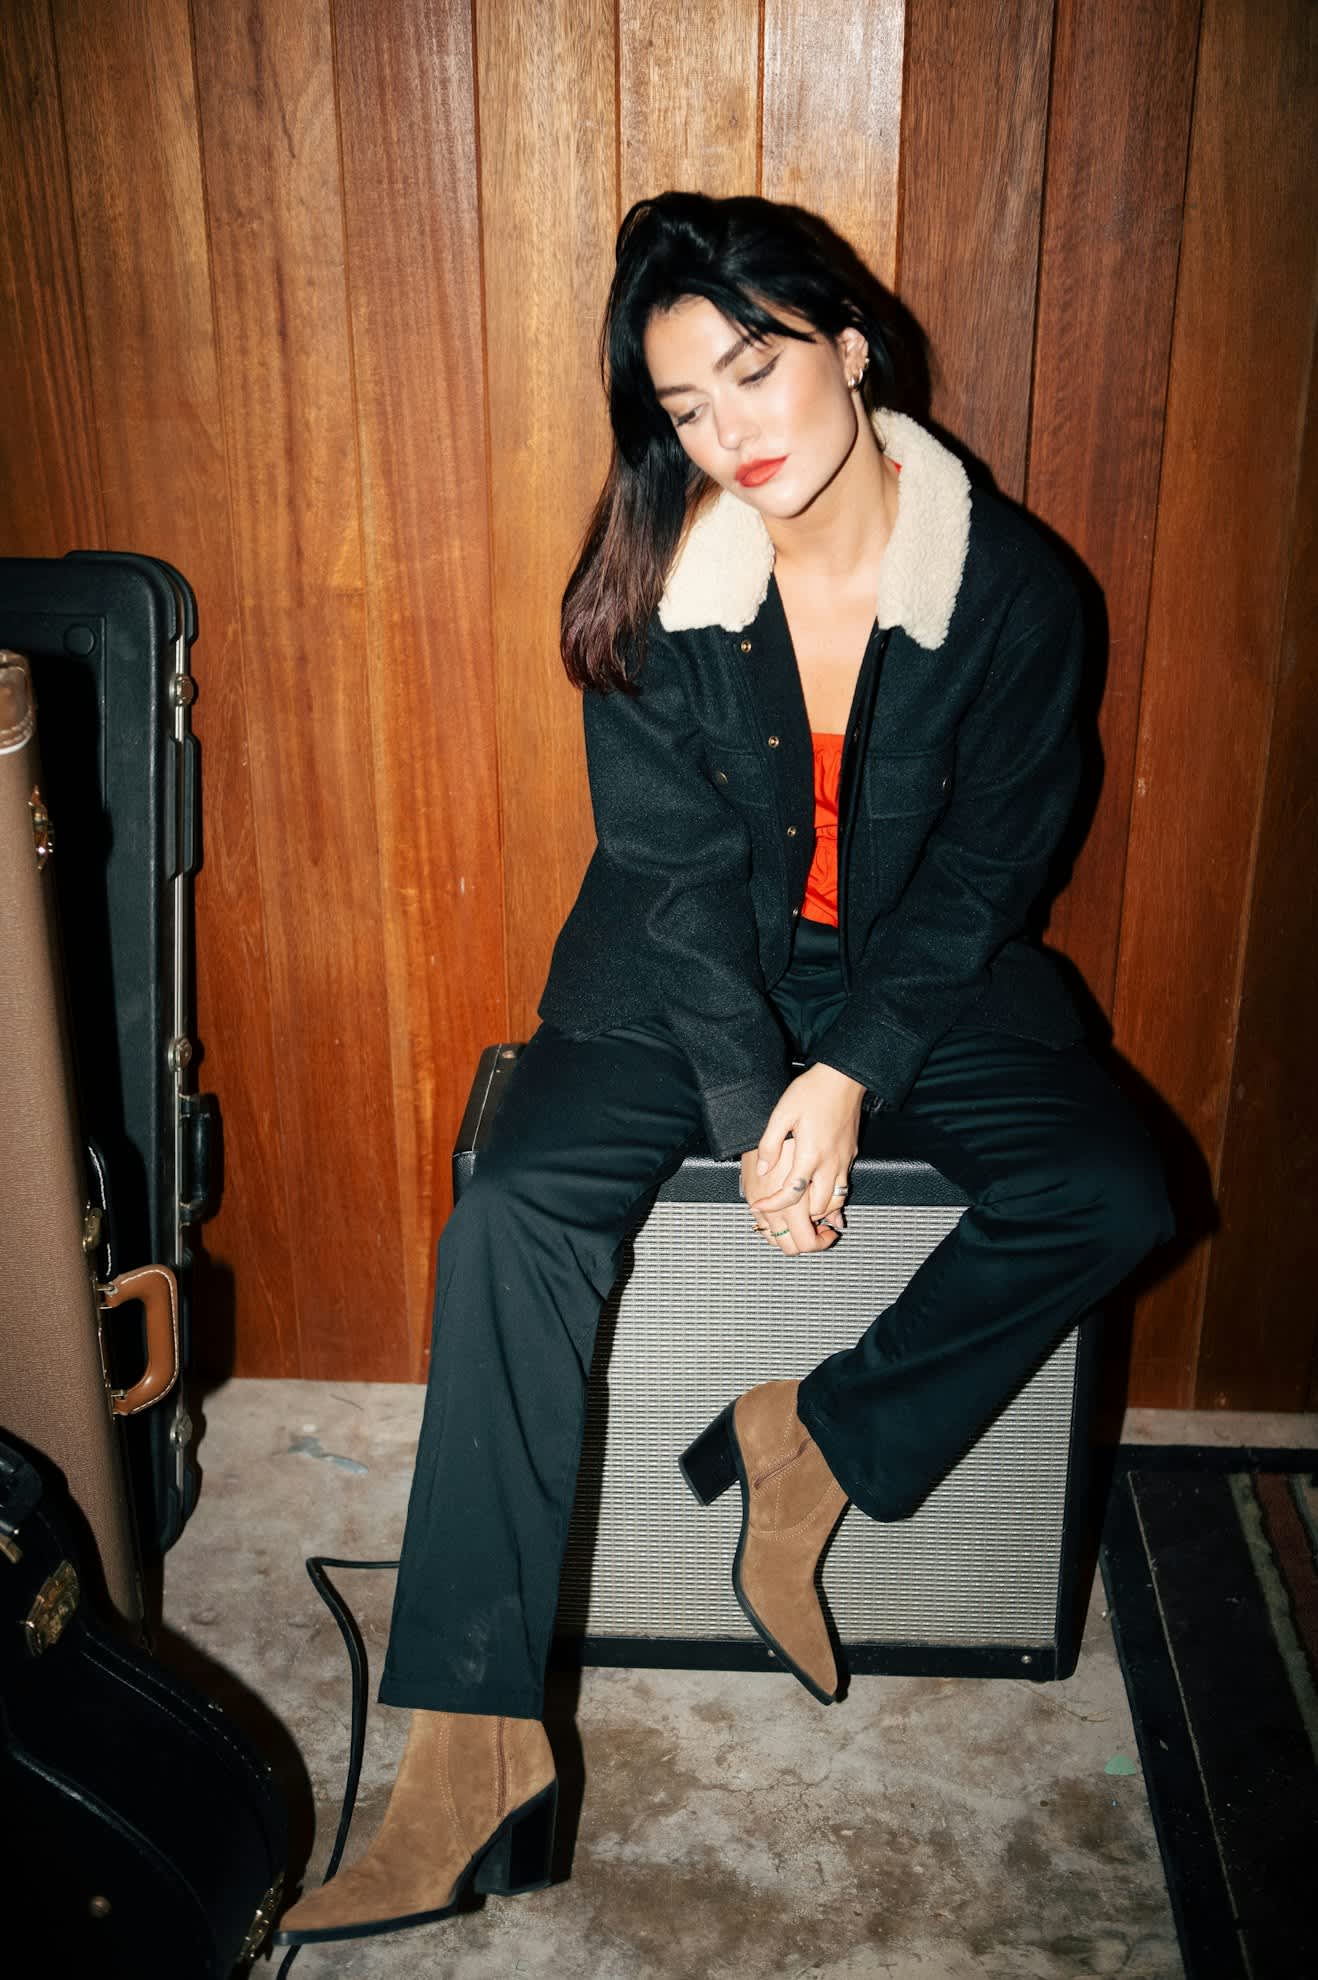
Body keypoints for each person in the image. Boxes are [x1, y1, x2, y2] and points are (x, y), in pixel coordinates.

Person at [275, 191, 1172, 1948]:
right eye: (685, 407)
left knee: (1111, 1190)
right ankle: (467, 1746)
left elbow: (991, 868)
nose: (729, 433)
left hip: (927, 972)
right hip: (674, 973)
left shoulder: (1013, 589)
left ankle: (814, 1436)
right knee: (517, 1207)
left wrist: (848, 1073)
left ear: (850, 349)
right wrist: (749, 1095)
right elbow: (672, 877)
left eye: (754, 373)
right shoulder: (653, 580)